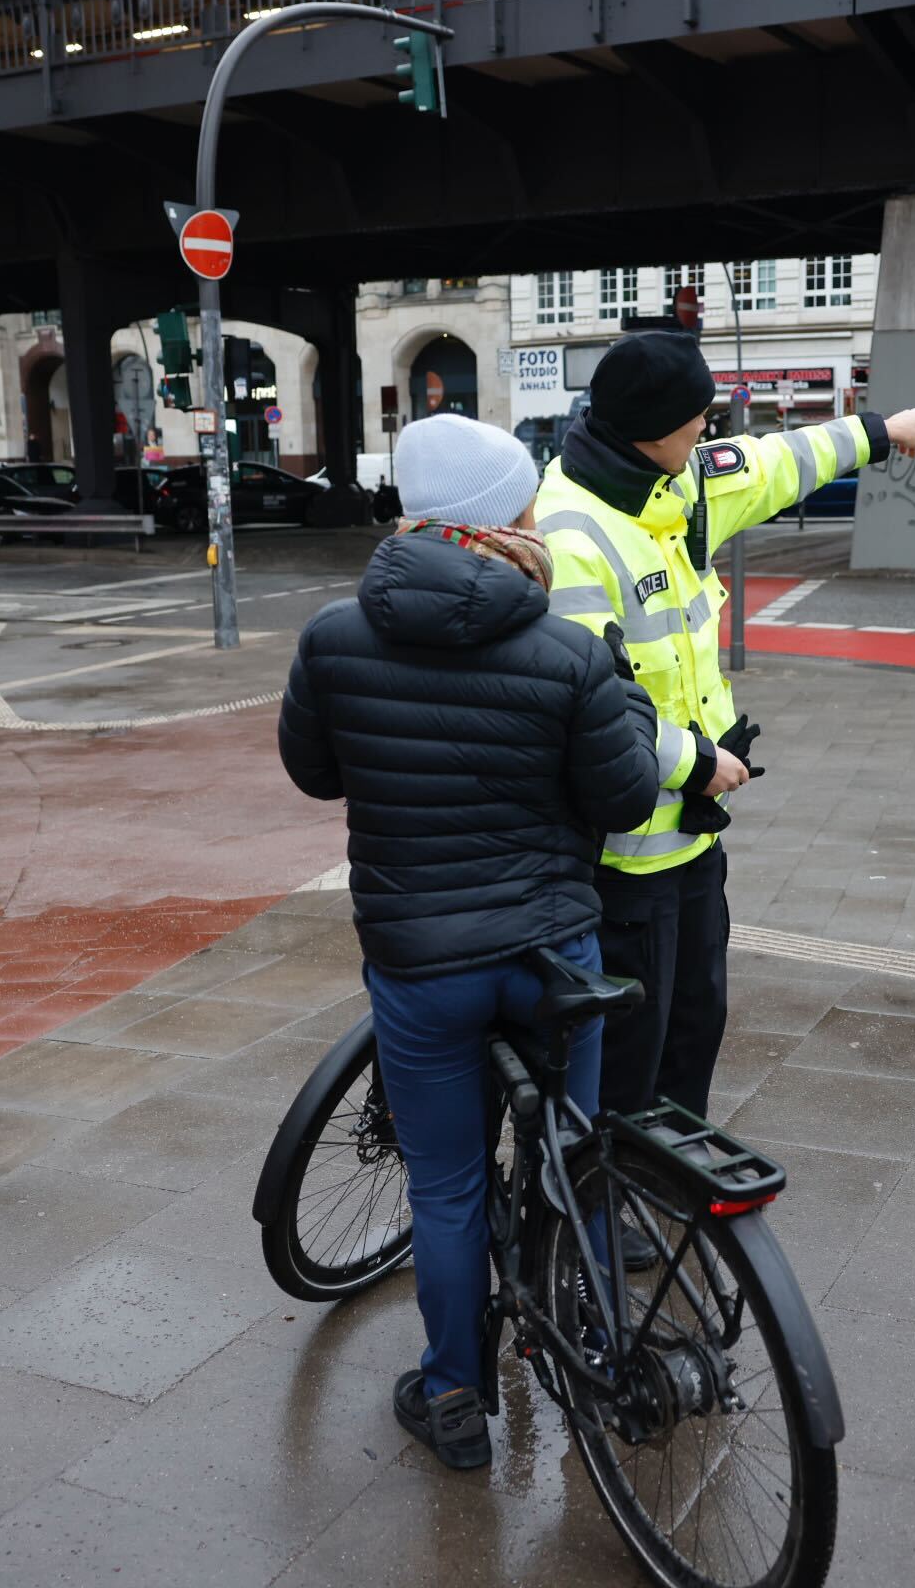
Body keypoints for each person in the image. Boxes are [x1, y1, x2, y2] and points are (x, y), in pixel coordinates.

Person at [277, 413, 661, 1473]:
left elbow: (315, 772)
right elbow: (626, 801)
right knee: (574, 1157)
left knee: (446, 1189)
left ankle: (452, 1396)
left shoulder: (334, 635)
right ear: (504, 521)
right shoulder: (567, 650)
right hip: (554, 960)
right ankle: (587, 1336)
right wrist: (622, 698)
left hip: (421, 965)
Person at [533, 330, 915, 1118]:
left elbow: (776, 461)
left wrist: (878, 433)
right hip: (624, 858)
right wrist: (693, 764)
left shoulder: (678, 479)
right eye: (699, 415)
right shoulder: (573, 533)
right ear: (652, 429)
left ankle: (672, 1167)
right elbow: (582, 705)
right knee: (632, 1044)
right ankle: (606, 1200)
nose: (711, 428)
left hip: (692, 834)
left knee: (696, 1022)